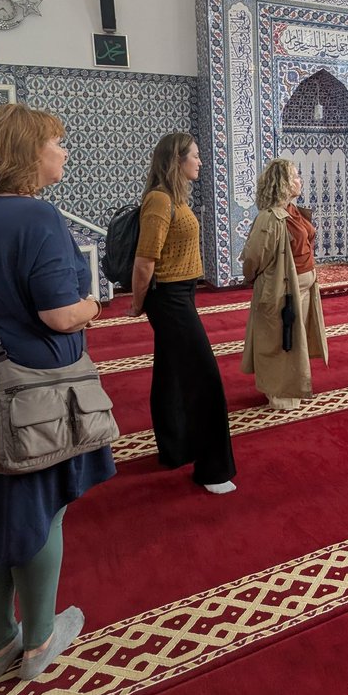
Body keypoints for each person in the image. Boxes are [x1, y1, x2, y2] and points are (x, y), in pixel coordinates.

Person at [0, 103, 115, 683]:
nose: (64, 151)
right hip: (24, 383)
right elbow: (60, 314)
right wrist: (97, 304)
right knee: (42, 505)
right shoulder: (38, 218)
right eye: (56, 142)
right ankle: (39, 643)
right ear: (25, 151)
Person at [130, 132, 236, 493]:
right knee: (204, 380)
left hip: (181, 294)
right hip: (168, 297)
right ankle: (212, 469)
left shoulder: (175, 197)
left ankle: (175, 449)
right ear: (177, 160)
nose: (200, 161)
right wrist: (137, 302)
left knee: (171, 374)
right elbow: (145, 260)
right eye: (195, 155)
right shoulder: (159, 200)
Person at [241, 158, 328, 411]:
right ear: (284, 183)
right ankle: (279, 394)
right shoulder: (269, 218)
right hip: (279, 291)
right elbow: (253, 259)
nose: (300, 180)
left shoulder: (293, 210)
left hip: (300, 288)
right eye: (295, 176)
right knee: (281, 341)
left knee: (294, 340)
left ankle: (293, 387)